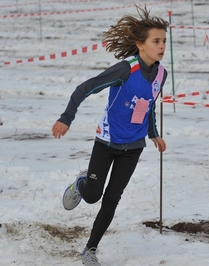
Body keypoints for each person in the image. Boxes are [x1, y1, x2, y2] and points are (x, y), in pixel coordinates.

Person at [51, 5, 169, 266]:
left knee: (112, 199)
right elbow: (85, 87)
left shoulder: (161, 74)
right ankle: (81, 183)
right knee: (93, 196)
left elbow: (148, 106)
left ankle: (90, 250)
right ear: (140, 44)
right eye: (156, 41)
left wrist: (154, 135)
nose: (161, 46)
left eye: (164, 41)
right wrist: (66, 118)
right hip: (107, 142)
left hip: (134, 146)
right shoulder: (125, 69)